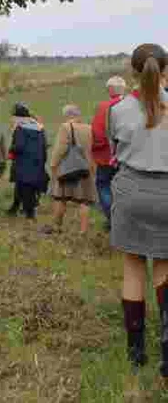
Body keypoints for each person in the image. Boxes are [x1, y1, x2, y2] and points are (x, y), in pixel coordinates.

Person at [109, 43, 168, 372]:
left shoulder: (117, 110)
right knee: (164, 267)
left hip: (131, 191)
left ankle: (136, 352)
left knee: (133, 267)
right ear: (165, 71)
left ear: (133, 71)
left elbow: (114, 148)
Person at [46, 104, 95, 234]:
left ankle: (57, 226)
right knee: (84, 200)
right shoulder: (89, 128)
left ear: (67, 115)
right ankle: (83, 231)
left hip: (68, 169)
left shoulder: (65, 127)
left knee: (61, 197)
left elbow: (61, 149)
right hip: (86, 168)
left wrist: (53, 164)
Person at [91, 76, 128, 229]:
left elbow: (98, 133)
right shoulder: (133, 105)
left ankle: (113, 221)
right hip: (128, 156)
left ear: (110, 90)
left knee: (103, 184)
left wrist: (96, 148)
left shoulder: (104, 107)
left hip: (107, 155)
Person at [8, 103, 49, 219]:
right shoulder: (39, 127)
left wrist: (11, 149)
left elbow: (19, 146)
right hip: (37, 161)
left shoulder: (21, 128)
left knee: (25, 188)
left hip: (24, 162)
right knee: (29, 187)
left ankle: (29, 214)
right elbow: (44, 145)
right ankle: (19, 209)